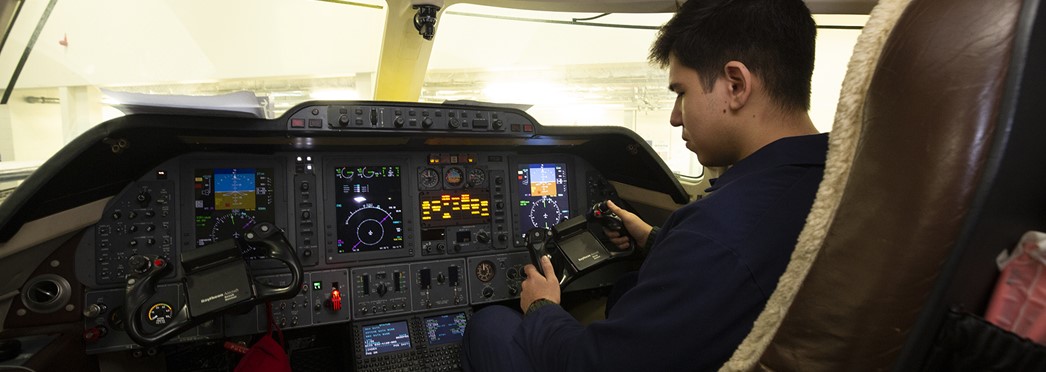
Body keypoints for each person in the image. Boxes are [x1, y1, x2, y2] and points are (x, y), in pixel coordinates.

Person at [461, 0, 827, 370]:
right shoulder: (837, 180)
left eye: (681, 92)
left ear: (736, 85)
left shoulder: (717, 234)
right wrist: (655, 240)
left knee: (491, 323)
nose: (674, 116)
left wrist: (541, 306)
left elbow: (593, 364)